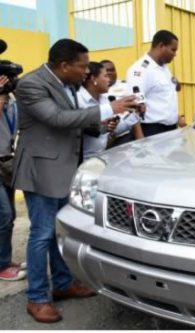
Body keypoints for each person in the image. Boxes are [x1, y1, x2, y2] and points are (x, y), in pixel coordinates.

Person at [12, 39, 137, 323]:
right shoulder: (31, 84)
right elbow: (56, 118)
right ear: (65, 65)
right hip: (41, 170)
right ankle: (37, 297)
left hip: (64, 169)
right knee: (42, 233)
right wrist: (109, 109)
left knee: (59, 231)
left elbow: (74, 120)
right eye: (82, 66)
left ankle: (64, 284)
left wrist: (104, 123)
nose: (86, 72)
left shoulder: (66, 84)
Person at [126, 30, 186, 137]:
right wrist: (141, 141)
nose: (175, 54)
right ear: (161, 45)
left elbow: (165, 96)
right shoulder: (140, 70)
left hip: (171, 130)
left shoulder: (163, 68)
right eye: (173, 50)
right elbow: (134, 109)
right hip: (152, 131)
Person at [0, 77, 26, 281]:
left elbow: (27, 112)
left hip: (7, 163)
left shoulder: (11, 101)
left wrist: (17, 89)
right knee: (5, 214)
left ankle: (5, 260)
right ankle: (1, 265)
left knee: (10, 216)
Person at [78, 62, 119, 160]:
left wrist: (133, 116)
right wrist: (101, 127)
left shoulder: (105, 99)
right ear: (93, 79)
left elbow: (107, 132)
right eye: (105, 76)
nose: (109, 80)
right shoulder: (78, 100)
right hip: (82, 160)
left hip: (103, 155)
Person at [99, 59, 144, 147]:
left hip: (126, 134)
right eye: (106, 71)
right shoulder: (98, 90)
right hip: (105, 137)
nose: (109, 73)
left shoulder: (126, 86)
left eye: (112, 70)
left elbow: (135, 112)